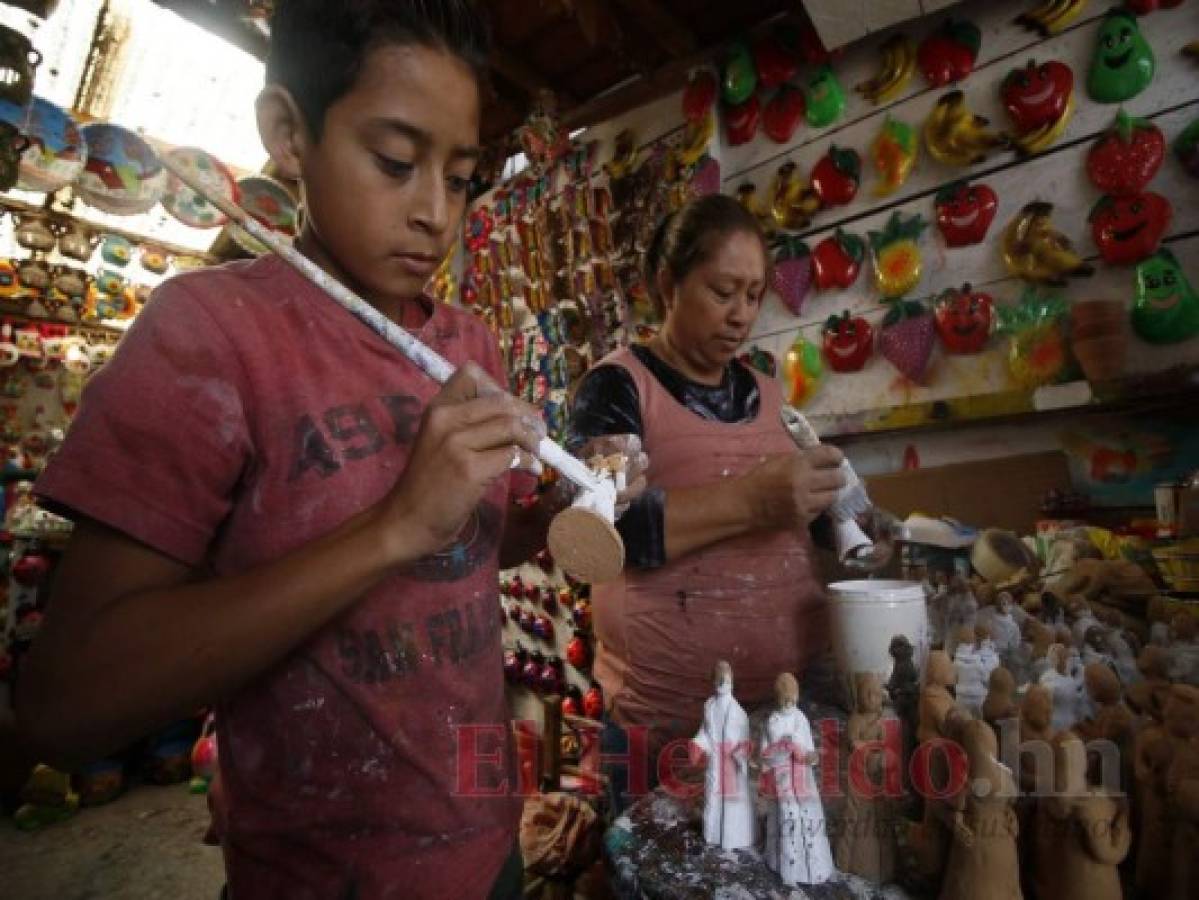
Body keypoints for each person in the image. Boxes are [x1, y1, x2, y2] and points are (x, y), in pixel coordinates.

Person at [15, 3, 644, 898]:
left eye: (460, 177)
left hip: (485, 845)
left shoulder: (469, 342)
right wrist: (393, 525)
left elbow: (460, 551)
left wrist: (549, 518)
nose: (434, 213)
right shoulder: (208, 335)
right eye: (394, 161)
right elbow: (65, 705)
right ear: (287, 133)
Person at [567, 194, 845, 804]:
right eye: (722, 292)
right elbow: (607, 532)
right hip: (666, 729)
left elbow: (810, 527)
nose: (742, 315)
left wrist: (839, 515)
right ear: (668, 284)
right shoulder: (616, 388)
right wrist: (759, 501)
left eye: (754, 294)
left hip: (783, 713)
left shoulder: (771, 396)